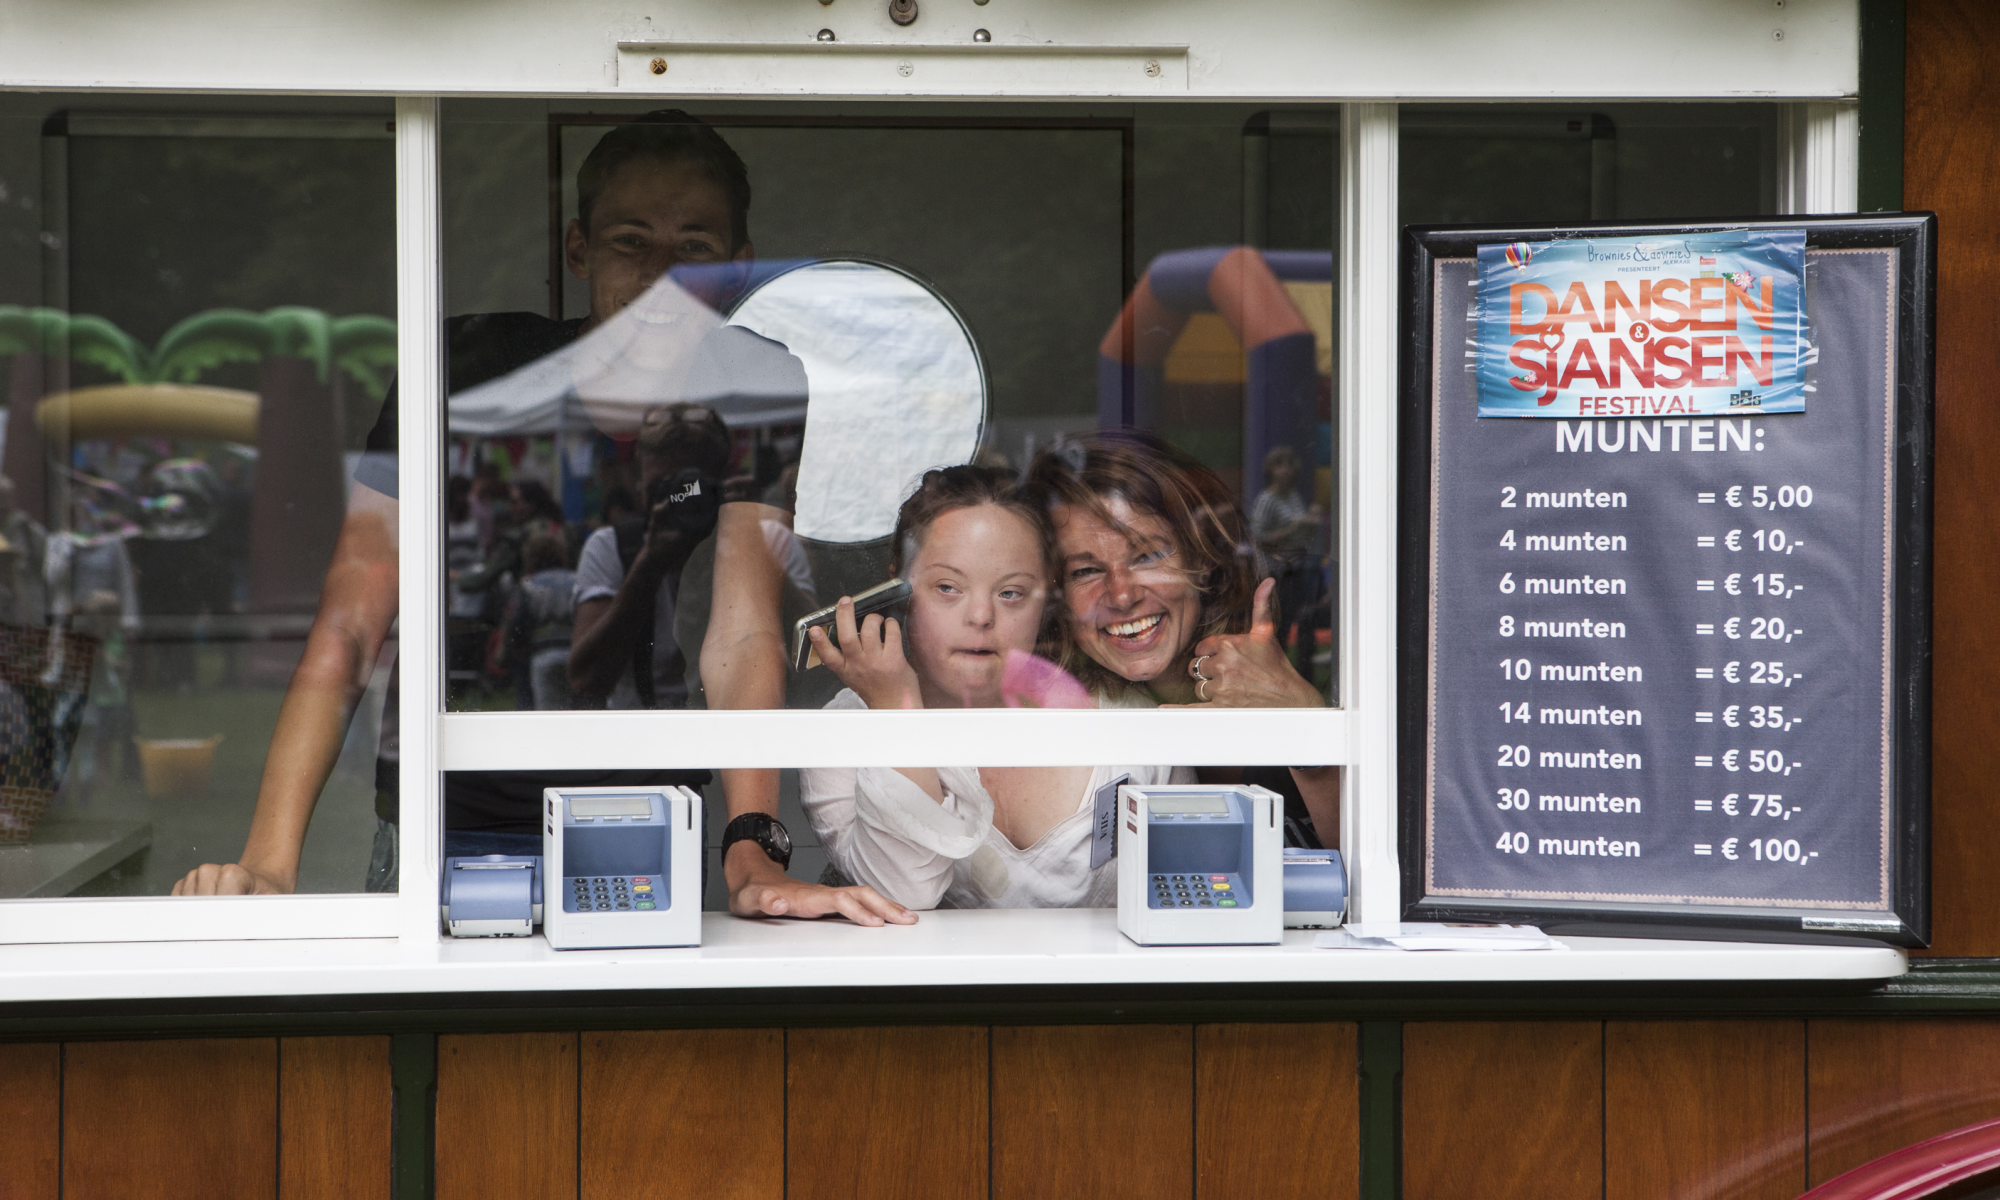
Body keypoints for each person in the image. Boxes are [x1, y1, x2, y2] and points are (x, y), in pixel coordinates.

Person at [170, 110, 910, 924]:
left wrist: (749, 854)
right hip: (447, 821)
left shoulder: (754, 382)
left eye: (693, 249)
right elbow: (353, 619)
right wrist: (269, 865)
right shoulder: (460, 368)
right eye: (632, 240)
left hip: (647, 819)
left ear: (736, 270)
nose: (663, 276)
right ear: (578, 248)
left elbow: (742, 632)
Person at [799, 465, 1191, 909]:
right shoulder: (843, 730)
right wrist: (895, 711)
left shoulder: (1127, 718)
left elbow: (1193, 896)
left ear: (1048, 600)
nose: (981, 616)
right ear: (898, 588)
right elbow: (906, 893)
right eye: (948, 587)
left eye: (1011, 593)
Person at [1024, 430, 1341, 845]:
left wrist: (1302, 722)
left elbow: (1381, 882)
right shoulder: (1049, 715)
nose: (1122, 595)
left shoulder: (1328, 665)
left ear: (1204, 556)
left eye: (1149, 555)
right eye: (1085, 570)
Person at [567, 403, 727, 710]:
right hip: (639, 747)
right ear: (640, 489)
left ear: (722, 486)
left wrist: (747, 538)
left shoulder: (759, 544)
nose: (675, 504)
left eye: (689, 489)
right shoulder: (613, 548)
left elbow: (812, 665)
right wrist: (648, 565)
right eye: (661, 491)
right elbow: (585, 684)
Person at [1249, 445, 1324, 672]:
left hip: (1299, 569)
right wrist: (1298, 524)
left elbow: (1303, 537)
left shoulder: (1294, 497)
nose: (1286, 470)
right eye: (1280, 464)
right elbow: (1260, 538)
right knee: (1280, 628)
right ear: (1270, 470)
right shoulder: (1267, 499)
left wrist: (1312, 520)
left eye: (1290, 464)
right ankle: (1274, 674)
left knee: (1305, 625)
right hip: (1277, 574)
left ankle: (1303, 674)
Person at [497, 529, 577, 711]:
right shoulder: (576, 580)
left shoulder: (528, 585)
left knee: (546, 712)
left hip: (542, 655)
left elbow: (516, 622)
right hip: (574, 654)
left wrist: (508, 651)